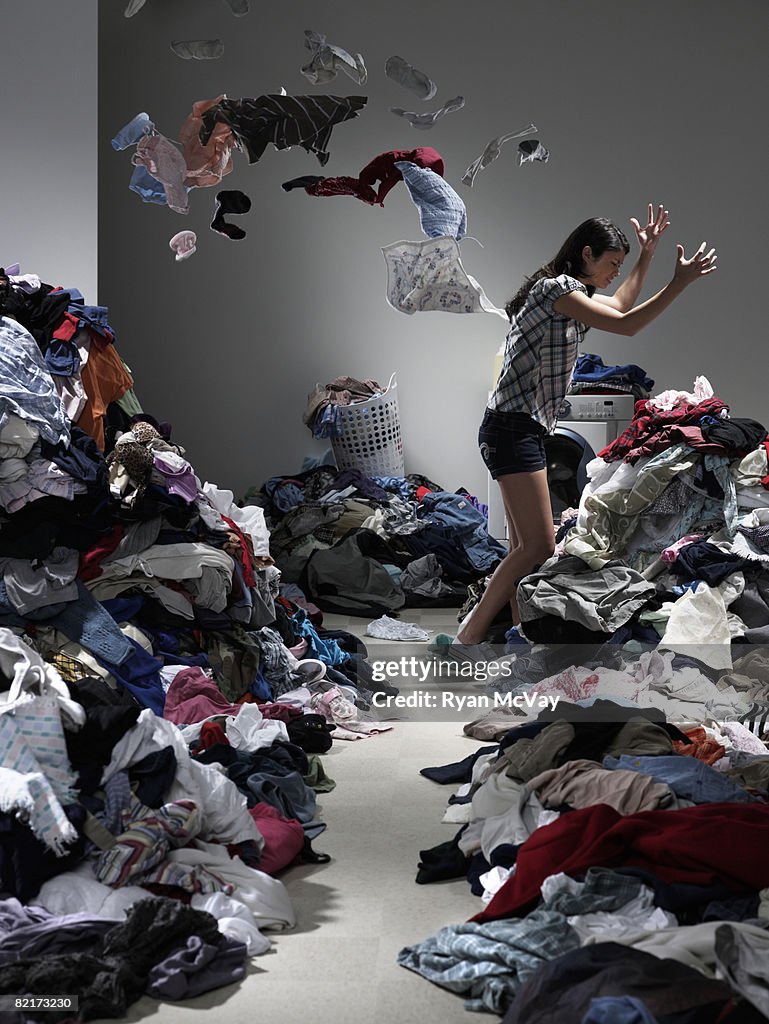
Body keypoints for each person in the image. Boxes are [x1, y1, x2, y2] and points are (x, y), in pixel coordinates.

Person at [455, 204, 717, 647]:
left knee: (527, 551)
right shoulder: (555, 289)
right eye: (611, 263)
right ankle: (470, 636)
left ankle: (522, 635)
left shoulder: (574, 297)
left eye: (620, 265)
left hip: (525, 430)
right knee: (536, 548)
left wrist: (645, 255)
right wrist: (679, 282)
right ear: (586, 253)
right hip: (511, 428)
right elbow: (627, 324)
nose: (615, 272)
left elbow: (619, 305)